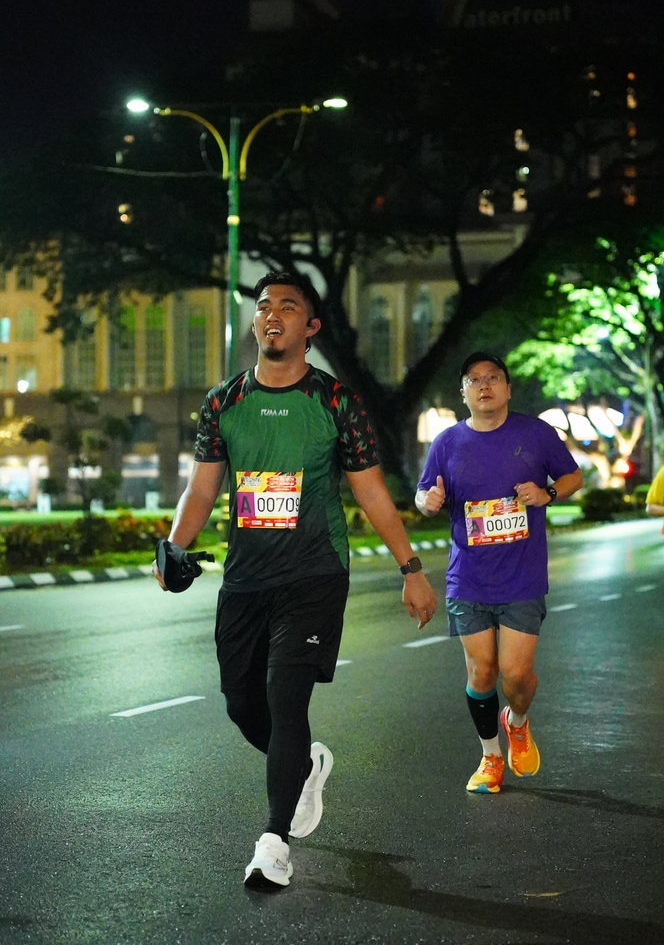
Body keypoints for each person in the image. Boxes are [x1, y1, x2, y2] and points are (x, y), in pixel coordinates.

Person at [153, 270, 437, 887]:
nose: (272, 315)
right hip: (245, 579)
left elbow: (371, 492)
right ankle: (303, 767)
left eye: (288, 306)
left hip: (313, 575)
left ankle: (273, 844)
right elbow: (202, 487)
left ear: (310, 327)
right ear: (256, 322)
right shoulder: (224, 401)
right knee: (241, 703)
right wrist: (174, 546)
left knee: (286, 697)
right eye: (263, 306)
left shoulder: (336, 402)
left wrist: (411, 569)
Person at [415, 351, 582, 795]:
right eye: (474, 380)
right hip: (468, 577)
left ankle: (518, 721)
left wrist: (547, 493)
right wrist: (427, 502)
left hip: (522, 577)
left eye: (493, 378)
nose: (484, 385)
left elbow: (572, 477)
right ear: (463, 392)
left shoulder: (536, 433)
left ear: (507, 388)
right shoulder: (447, 442)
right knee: (482, 673)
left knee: (516, 677)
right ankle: (490, 756)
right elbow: (424, 492)